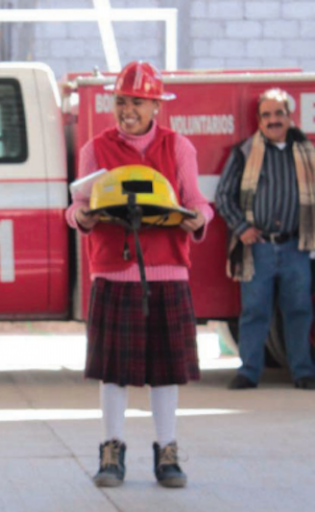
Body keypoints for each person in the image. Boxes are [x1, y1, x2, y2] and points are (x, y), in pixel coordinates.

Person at [66, 61, 212, 489]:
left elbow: (199, 203)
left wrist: (195, 219)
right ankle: (111, 452)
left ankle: (167, 452)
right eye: (121, 101)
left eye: (138, 103)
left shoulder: (178, 147)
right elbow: (75, 206)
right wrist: (82, 217)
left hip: (169, 273)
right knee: (114, 370)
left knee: (166, 369)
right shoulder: (95, 148)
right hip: (113, 273)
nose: (128, 110)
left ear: (156, 107)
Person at [216, 88, 315, 391]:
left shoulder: (308, 152)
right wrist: (242, 227)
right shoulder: (245, 152)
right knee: (255, 311)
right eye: (267, 115)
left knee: (299, 311)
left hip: (296, 247)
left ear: (290, 116)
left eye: (279, 113)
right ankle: (248, 372)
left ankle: (302, 372)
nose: (273, 120)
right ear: (259, 121)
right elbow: (223, 196)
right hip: (257, 248)